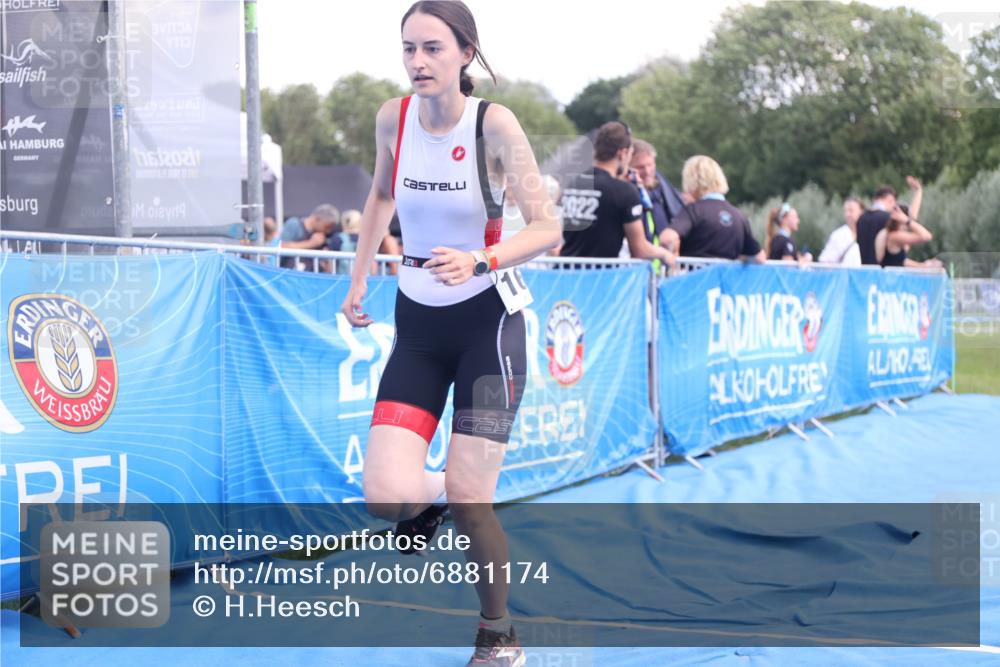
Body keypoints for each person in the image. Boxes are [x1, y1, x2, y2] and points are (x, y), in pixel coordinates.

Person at [339, 3, 560, 664]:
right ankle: (432, 496)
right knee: (384, 498)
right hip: (417, 324)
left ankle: (499, 632)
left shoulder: (494, 124)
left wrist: (481, 258)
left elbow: (547, 227)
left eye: (432, 49)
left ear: (465, 52)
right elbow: (381, 195)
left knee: (474, 502)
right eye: (407, 49)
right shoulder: (393, 117)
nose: (416, 63)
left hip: (489, 324)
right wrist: (358, 279)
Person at [558, 121, 675, 265]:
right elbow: (639, 250)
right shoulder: (624, 192)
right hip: (600, 280)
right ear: (622, 153)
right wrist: (665, 254)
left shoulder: (571, 183)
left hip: (564, 275)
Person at [659, 155, 765, 262]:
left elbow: (667, 238)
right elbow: (759, 258)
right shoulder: (739, 216)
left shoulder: (694, 211)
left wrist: (670, 258)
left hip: (695, 277)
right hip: (726, 278)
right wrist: (734, 261)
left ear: (691, 181)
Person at [629, 139, 685, 244]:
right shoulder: (624, 196)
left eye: (650, 165)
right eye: (640, 167)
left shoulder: (668, 194)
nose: (647, 171)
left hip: (663, 258)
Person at [875, 202, 941, 268]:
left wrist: (924, 265)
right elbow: (927, 236)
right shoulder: (895, 236)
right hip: (892, 277)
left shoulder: (892, 234)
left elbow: (901, 261)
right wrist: (906, 220)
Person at [279, 204, 340, 269]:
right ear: (317, 219)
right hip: (290, 274)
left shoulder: (323, 236)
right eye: (327, 227)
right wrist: (311, 243)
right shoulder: (294, 224)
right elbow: (282, 246)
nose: (328, 231)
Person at [818, 197, 864, 265]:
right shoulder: (838, 235)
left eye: (851, 210)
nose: (847, 214)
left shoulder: (868, 233)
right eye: (846, 211)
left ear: (861, 211)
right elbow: (825, 261)